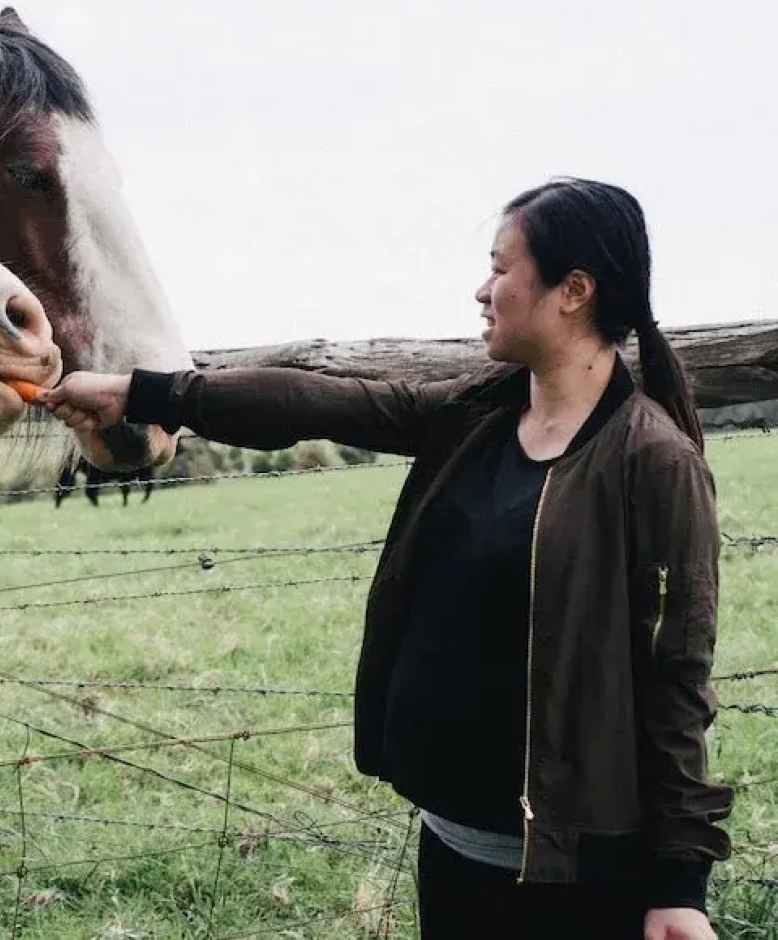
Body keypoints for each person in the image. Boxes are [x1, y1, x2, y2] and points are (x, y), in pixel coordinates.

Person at [38, 178, 733, 940]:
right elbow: (315, 404)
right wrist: (147, 394)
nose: (482, 289)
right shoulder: (475, 418)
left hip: (578, 882)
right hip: (452, 850)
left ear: (573, 291)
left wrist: (679, 886)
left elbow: (677, 683)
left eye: (501, 268)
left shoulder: (652, 461)